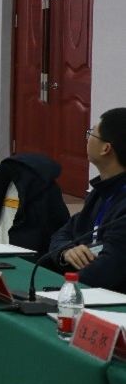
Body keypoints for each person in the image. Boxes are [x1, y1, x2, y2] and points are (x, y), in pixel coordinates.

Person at [43, 109, 126, 290]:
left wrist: (63, 290)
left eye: (91, 133)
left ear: (106, 148)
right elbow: (62, 233)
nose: (87, 139)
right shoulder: (100, 192)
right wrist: (66, 251)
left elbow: (108, 270)